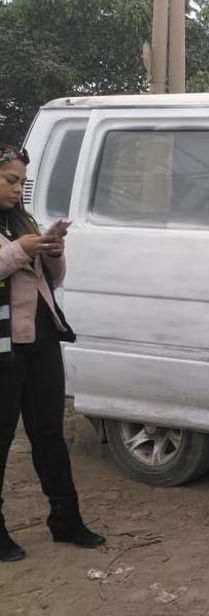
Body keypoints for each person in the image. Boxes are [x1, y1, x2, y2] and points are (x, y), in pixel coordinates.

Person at [0, 145, 104, 562]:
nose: (17, 190)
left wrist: (54, 252)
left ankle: (66, 519)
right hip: (4, 347)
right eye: (10, 180)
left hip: (40, 338)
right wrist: (22, 249)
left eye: (22, 182)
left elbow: (51, 282)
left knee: (49, 435)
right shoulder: (18, 233)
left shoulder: (22, 221)